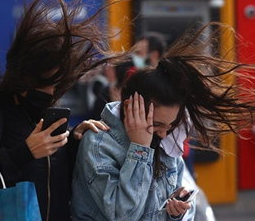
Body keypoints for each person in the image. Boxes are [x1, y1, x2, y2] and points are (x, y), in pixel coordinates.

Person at [0, 0, 128, 220]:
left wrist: (75, 143)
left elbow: (50, 178)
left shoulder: (44, 114)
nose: (50, 93)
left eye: (56, 85)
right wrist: (23, 153)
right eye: (44, 84)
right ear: (23, 76)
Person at [71, 22, 255, 221]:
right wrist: (139, 149)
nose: (163, 134)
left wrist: (176, 212)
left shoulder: (166, 143)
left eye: (170, 126)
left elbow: (176, 210)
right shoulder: (99, 144)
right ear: (131, 109)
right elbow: (123, 215)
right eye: (156, 125)